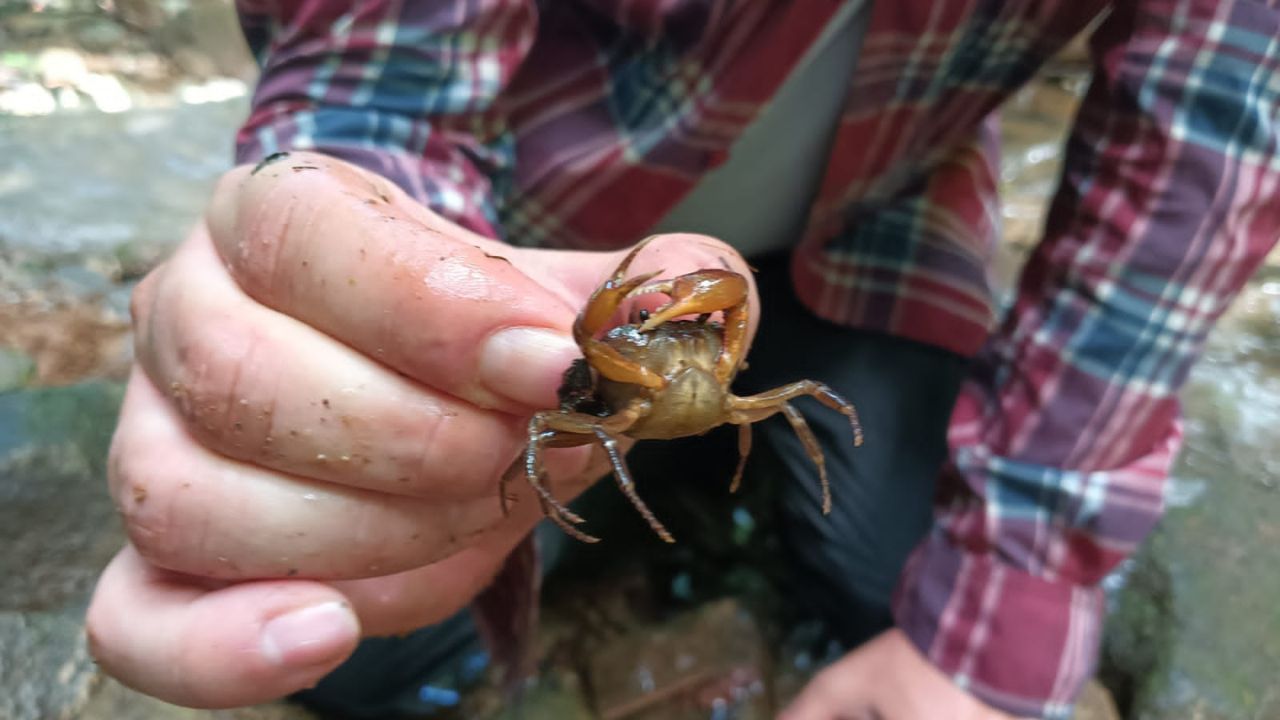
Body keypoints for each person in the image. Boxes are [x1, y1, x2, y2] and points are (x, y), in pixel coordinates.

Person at [84, 1, 1279, 718]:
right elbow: (379, 88)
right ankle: (633, 511)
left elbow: (1200, 162)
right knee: (381, 626)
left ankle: (714, 494)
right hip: (541, 271)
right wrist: (333, 291)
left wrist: (991, 627)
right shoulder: (598, 342)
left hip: (868, 232)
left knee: (899, 579)